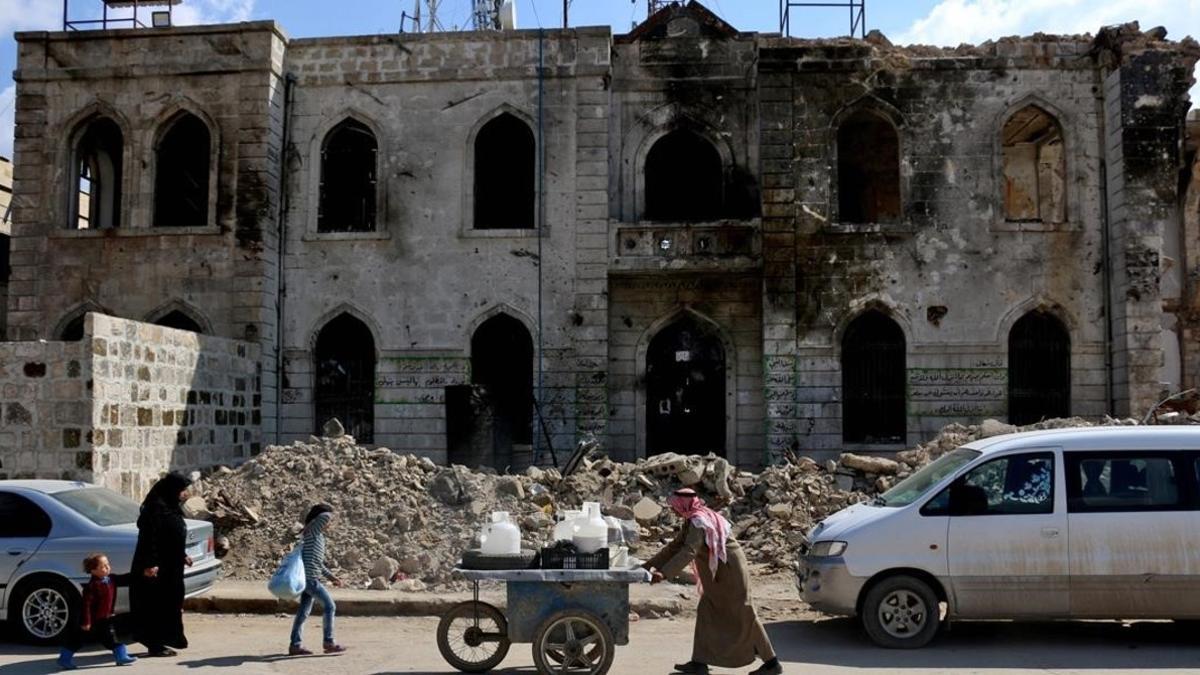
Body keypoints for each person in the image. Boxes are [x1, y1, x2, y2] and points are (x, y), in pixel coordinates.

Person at [643, 488, 782, 675]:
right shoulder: (692, 520)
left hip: (730, 572)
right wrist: (648, 566)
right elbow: (674, 547)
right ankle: (699, 662)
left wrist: (664, 574)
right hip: (719, 573)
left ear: (683, 504)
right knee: (706, 609)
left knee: (745, 613)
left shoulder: (699, 521)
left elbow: (688, 552)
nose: (673, 511)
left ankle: (772, 663)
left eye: (675, 507)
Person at [130, 471, 193, 657]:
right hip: (155, 569)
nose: (184, 494)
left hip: (170, 566)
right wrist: (150, 564)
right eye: (182, 490)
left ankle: (168, 639)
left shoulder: (170, 506)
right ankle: (155, 644)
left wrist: (182, 555)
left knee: (170, 603)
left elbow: (170, 536)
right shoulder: (155, 509)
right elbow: (150, 538)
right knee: (155, 605)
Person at [57, 553, 138, 670]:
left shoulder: (111, 579)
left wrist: (143, 573)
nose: (107, 568)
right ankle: (64, 659)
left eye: (108, 564)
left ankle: (121, 656)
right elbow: (86, 606)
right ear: (93, 570)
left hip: (105, 619)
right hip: (91, 621)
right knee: (78, 640)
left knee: (111, 638)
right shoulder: (92, 586)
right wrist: (86, 622)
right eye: (103, 566)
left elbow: (126, 578)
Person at [288, 504, 347, 656]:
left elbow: (318, 563)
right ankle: (329, 642)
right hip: (310, 580)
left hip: (309, 579)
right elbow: (324, 516)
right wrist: (331, 512)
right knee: (330, 606)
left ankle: (295, 645)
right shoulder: (312, 532)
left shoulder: (318, 537)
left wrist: (332, 577)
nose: (329, 522)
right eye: (328, 520)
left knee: (303, 612)